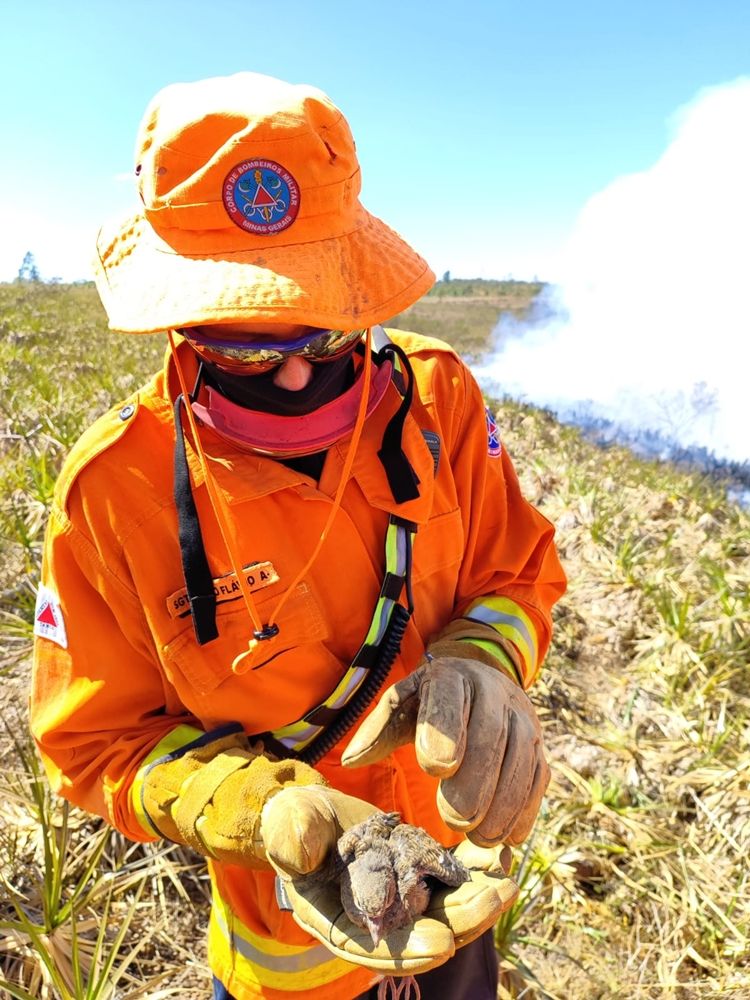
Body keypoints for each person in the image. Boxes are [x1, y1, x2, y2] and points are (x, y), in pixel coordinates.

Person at [30, 72, 567, 1000]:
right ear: (181, 330)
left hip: (452, 879)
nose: (288, 382)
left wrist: (485, 658)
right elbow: (98, 740)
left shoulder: (438, 401)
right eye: (241, 349)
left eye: (322, 338)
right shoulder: (111, 492)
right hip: (284, 944)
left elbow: (516, 571)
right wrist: (250, 805)